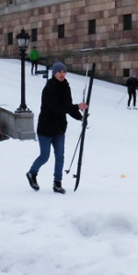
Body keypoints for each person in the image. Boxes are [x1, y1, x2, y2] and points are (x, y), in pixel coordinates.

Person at [26, 62, 87, 194]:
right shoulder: (48, 89)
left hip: (59, 128)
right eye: (59, 72)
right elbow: (57, 109)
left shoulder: (66, 87)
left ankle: (57, 183)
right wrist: (77, 107)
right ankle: (32, 173)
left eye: (64, 72)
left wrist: (80, 117)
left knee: (60, 156)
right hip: (46, 128)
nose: (62, 74)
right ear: (54, 73)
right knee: (44, 156)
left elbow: (68, 106)